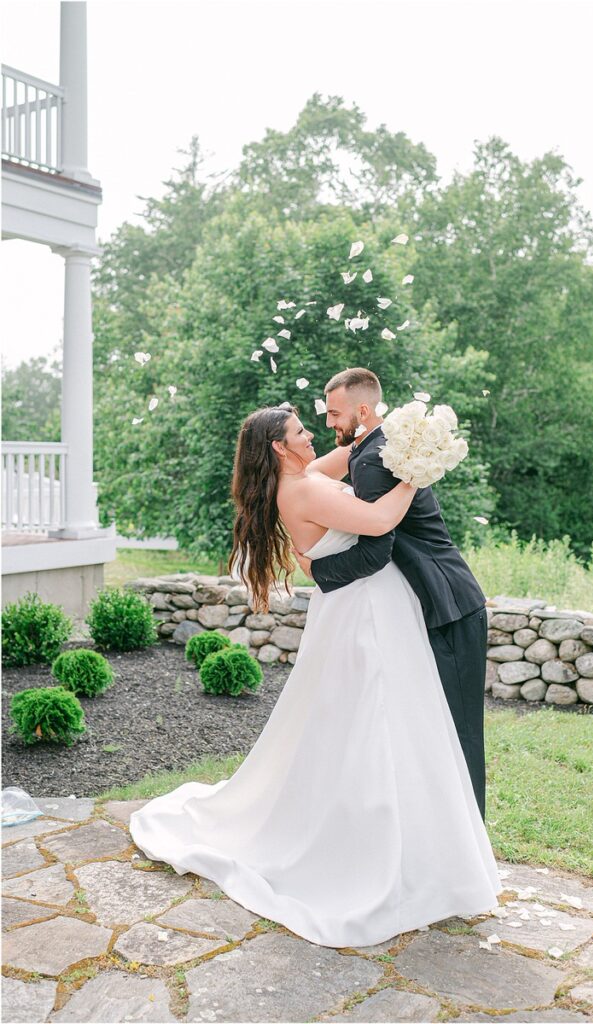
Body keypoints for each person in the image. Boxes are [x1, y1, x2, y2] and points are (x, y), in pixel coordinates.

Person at [129, 402, 502, 949]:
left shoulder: (303, 476)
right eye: (302, 431)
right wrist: (418, 473)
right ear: (280, 447)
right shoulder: (302, 490)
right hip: (365, 614)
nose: (312, 435)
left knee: (387, 721)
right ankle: (376, 851)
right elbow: (377, 522)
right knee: (373, 721)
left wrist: (403, 438)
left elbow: (349, 453)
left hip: (359, 608)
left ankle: (415, 838)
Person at [296, 368, 490, 821]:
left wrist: (316, 568)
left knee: (459, 732)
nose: (328, 423)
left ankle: (469, 838)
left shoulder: (372, 458)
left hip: (449, 605)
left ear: (363, 410)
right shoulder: (370, 447)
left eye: (335, 413)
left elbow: (376, 550)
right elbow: (306, 471)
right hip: (438, 603)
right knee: (436, 731)